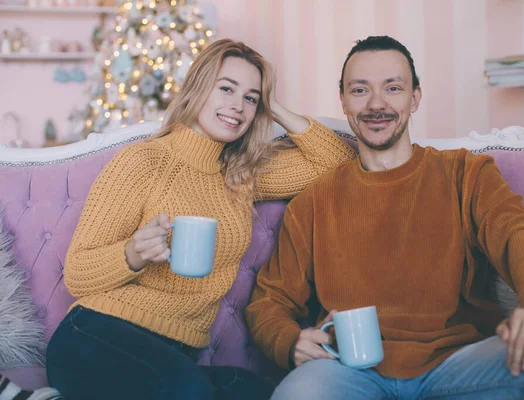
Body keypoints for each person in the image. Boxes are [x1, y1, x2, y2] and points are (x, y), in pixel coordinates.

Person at [246, 36, 524, 400]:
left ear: (414, 98)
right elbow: (270, 299)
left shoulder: (466, 172)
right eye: (360, 90)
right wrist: (290, 343)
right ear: (344, 100)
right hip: (350, 371)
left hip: (460, 362)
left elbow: (516, 234)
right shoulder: (314, 201)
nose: (376, 104)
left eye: (393, 88)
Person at [45, 39, 355, 400]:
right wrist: (133, 253)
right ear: (198, 88)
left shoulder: (241, 174)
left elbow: (337, 162)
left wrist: (274, 108)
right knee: (188, 390)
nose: (237, 106)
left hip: (172, 354)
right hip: (96, 335)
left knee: (253, 392)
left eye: (251, 98)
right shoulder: (144, 161)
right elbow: (79, 274)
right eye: (226, 88)